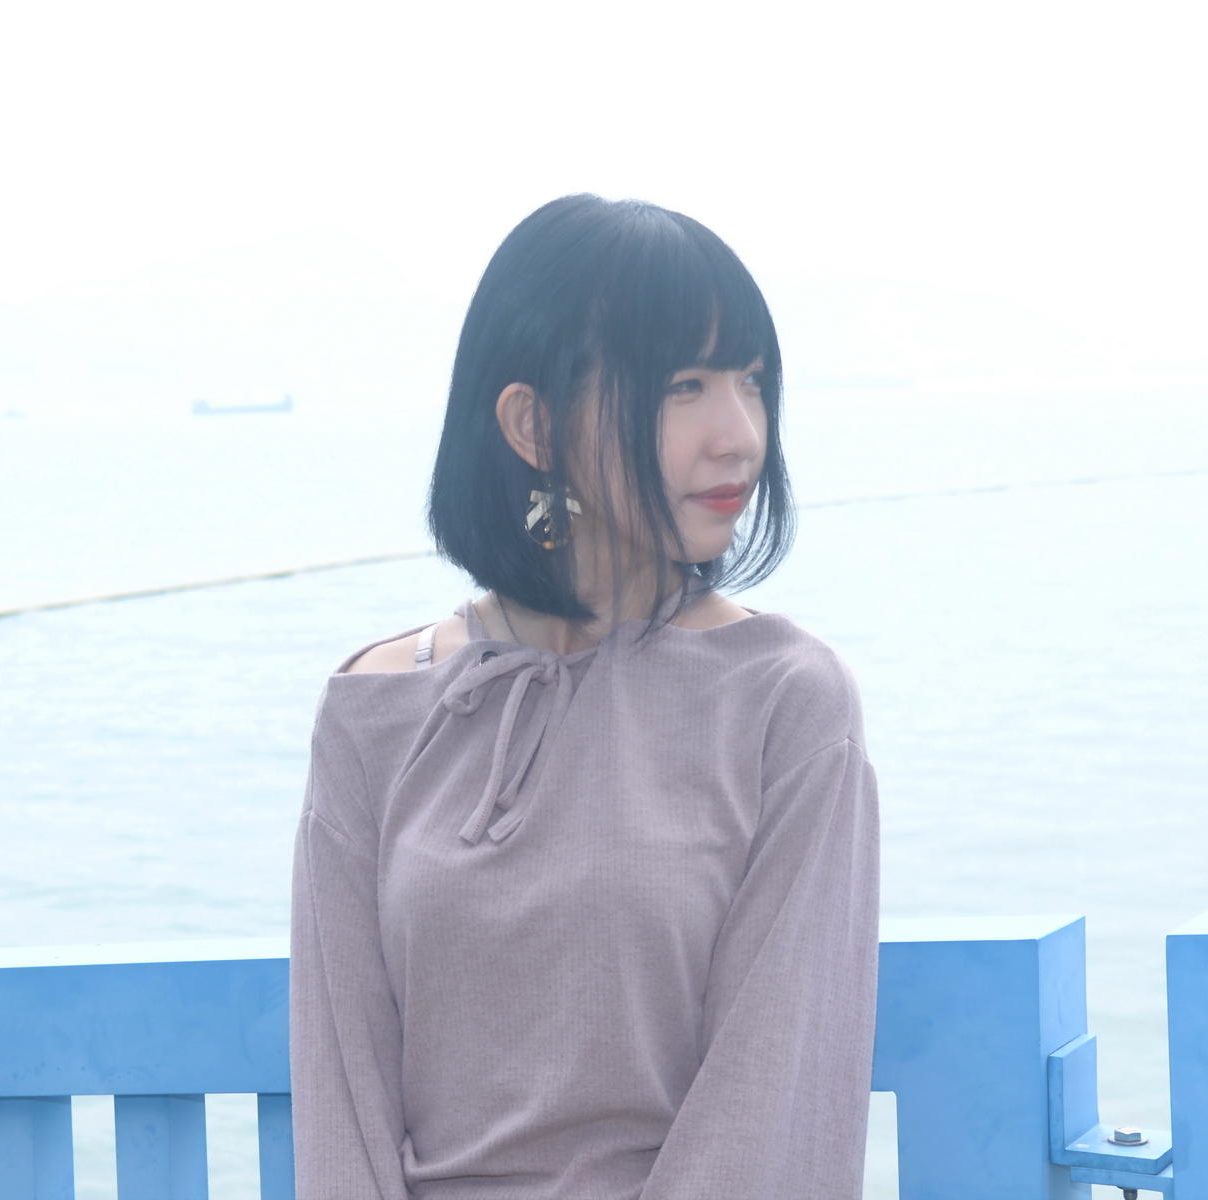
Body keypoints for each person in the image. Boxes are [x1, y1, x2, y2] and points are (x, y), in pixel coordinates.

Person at [289, 193, 880, 1199]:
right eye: (683, 386)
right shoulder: (376, 708)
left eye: (751, 381)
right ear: (534, 423)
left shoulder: (786, 699)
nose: (740, 435)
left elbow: (771, 1099)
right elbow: (340, 1095)